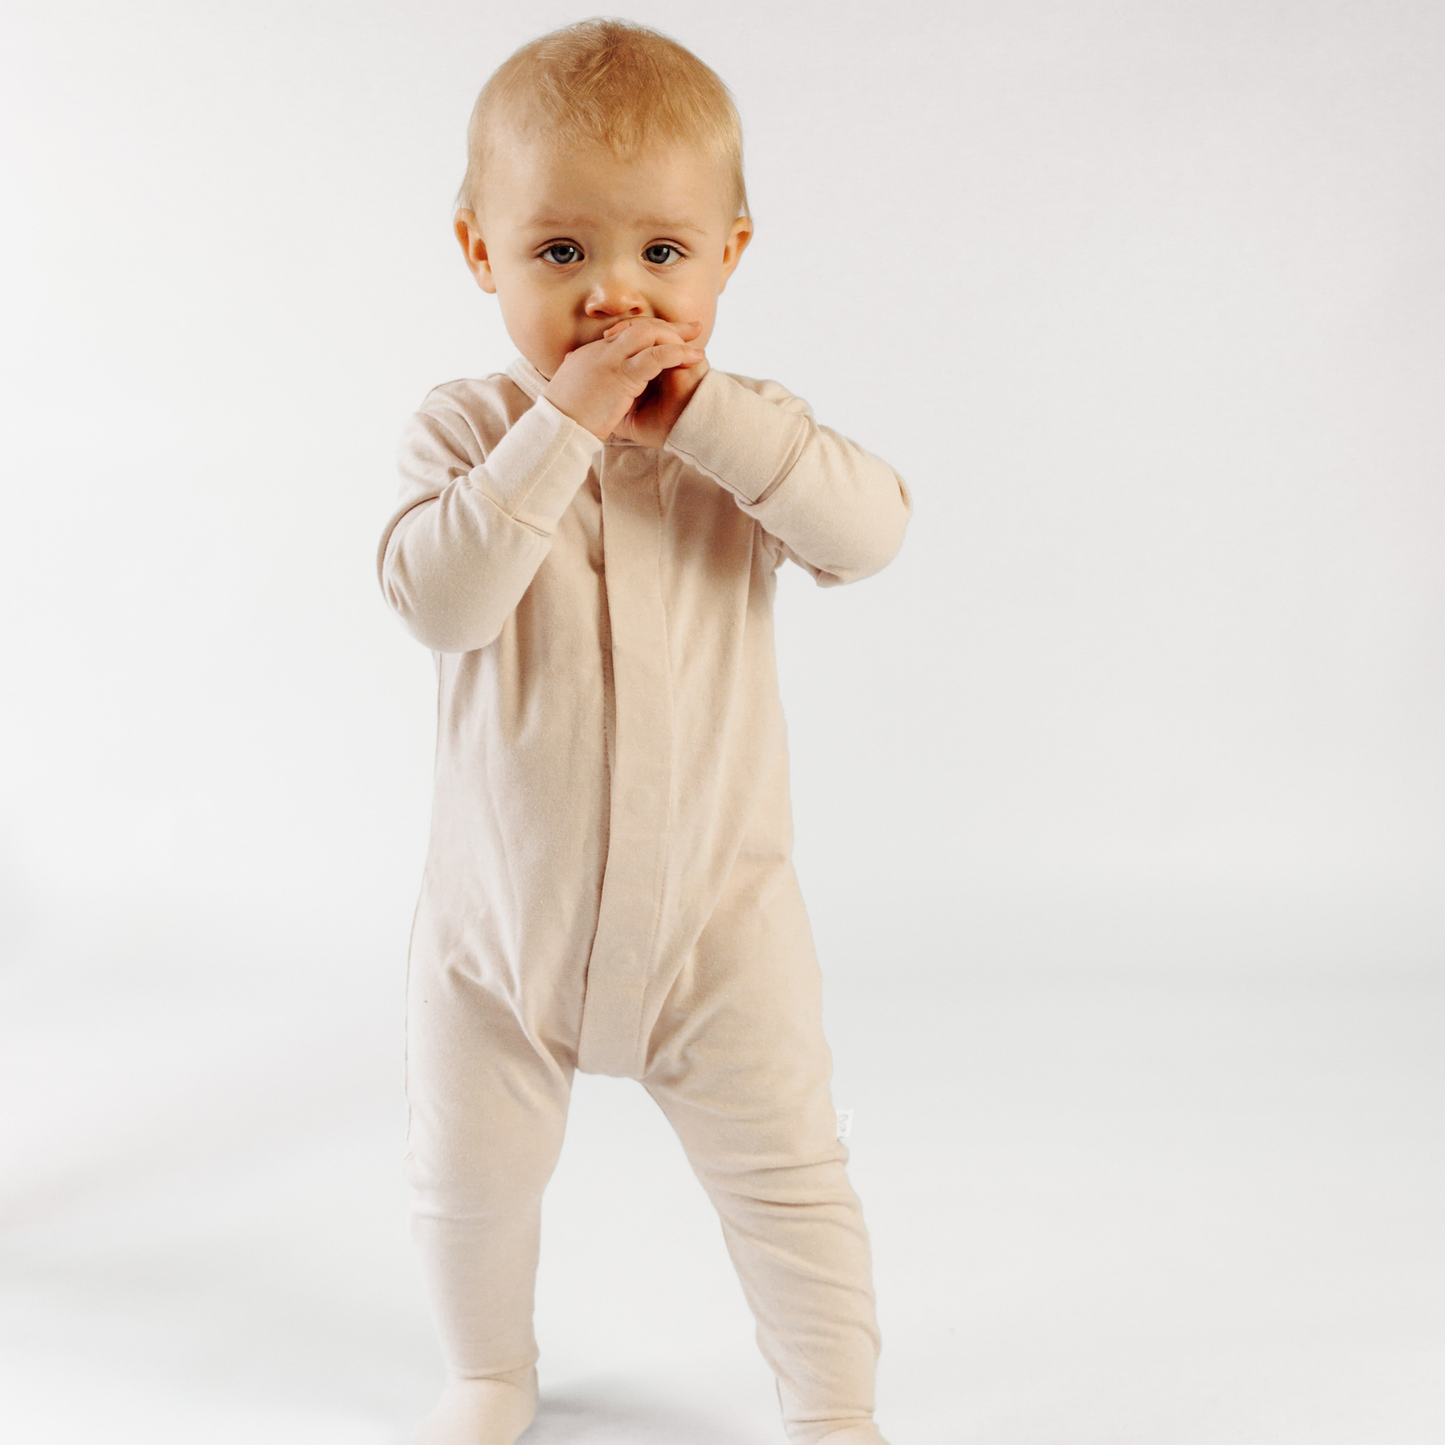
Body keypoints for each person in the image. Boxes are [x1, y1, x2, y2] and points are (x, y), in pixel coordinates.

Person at [376, 19, 912, 1445]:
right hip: (501, 931)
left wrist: (712, 423)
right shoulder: (466, 429)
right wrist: (557, 428)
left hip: (718, 927)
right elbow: (441, 599)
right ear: (480, 252)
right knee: (467, 1183)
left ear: (731, 255)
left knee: (790, 1177)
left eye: (661, 255)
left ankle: (835, 1405)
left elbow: (870, 538)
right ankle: (488, 1373)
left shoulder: (746, 435)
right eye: (562, 253)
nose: (616, 296)